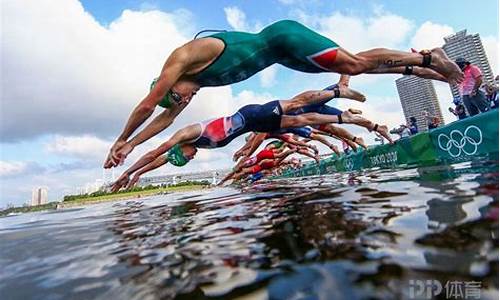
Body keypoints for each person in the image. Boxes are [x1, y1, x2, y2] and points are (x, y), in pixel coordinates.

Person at [104, 19, 464, 168]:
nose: (185, 101)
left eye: (178, 97)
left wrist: (122, 138)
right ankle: (422, 69)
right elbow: (163, 119)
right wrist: (131, 147)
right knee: (353, 69)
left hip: (283, 38)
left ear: (168, 84)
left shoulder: (184, 57)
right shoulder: (196, 86)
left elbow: (151, 106)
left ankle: (429, 56)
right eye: (182, 102)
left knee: (351, 65)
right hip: (284, 58)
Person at [111, 88, 387, 190]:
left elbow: (156, 152)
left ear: (181, 150)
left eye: (187, 157)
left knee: (297, 105)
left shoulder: (187, 134)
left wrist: (128, 167)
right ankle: (344, 117)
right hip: (257, 125)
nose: (193, 157)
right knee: (304, 120)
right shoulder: (192, 145)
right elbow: (158, 161)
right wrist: (134, 175)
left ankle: (337, 92)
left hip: (251, 114)